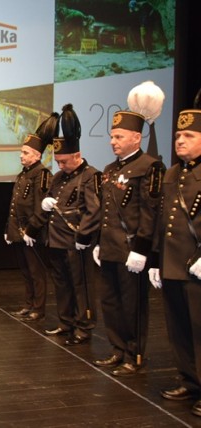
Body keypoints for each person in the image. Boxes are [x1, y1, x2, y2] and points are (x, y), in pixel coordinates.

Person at [93, 82, 165, 377]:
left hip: (131, 251)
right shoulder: (110, 169)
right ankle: (117, 348)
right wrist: (98, 241)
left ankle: (134, 353)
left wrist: (142, 250)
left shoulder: (150, 167)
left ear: (136, 137)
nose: (113, 141)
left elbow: (150, 213)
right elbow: (106, 210)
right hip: (110, 246)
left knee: (132, 305)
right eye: (112, 136)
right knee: (110, 302)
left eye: (119, 136)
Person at [149, 107, 201, 416]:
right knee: (179, 326)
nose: (179, 141)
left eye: (188, 135)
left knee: (200, 328)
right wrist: (156, 259)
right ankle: (189, 380)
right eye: (178, 135)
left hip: (196, 266)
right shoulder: (173, 173)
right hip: (173, 264)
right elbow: (161, 219)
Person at [42, 104, 101, 346]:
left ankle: (83, 326)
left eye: (64, 161)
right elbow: (52, 200)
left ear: (77, 156)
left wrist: (83, 236)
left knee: (81, 286)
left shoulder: (90, 175)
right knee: (62, 284)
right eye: (57, 161)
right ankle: (65, 322)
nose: (60, 166)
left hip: (76, 242)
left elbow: (94, 210)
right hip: (57, 240)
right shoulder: (58, 177)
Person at [5, 114, 57, 323]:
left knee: (36, 272)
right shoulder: (23, 174)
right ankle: (28, 304)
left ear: (36, 155)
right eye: (21, 152)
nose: (21, 155)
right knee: (26, 272)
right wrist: (10, 230)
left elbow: (41, 207)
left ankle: (38, 308)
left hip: (31, 234)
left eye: (25, 152)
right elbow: (15, 206)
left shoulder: (41, 174)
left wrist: (32, 231)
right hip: (19, 232)